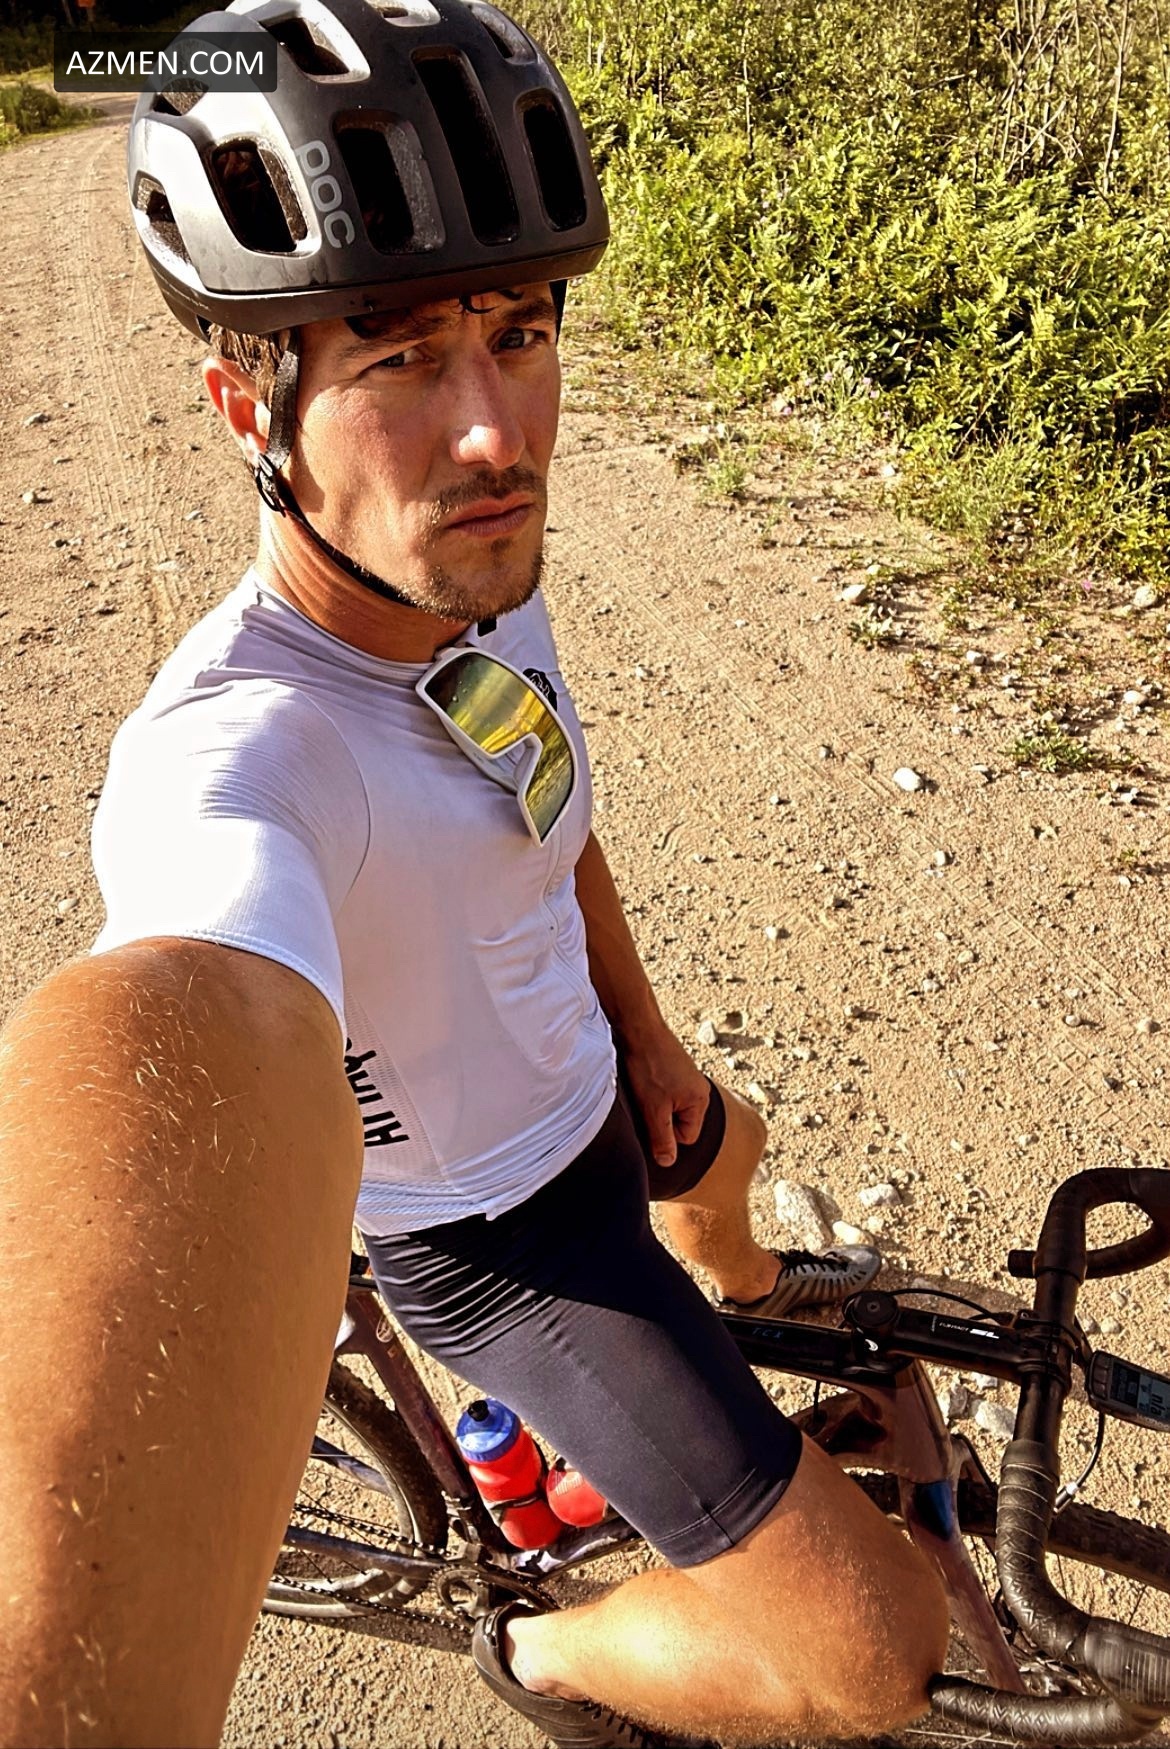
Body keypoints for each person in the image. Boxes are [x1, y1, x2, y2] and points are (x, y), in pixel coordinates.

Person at [0, 1, 948, 1744]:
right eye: (400, 361)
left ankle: (738, 1292)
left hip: (585, 1075)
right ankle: (540, 1648)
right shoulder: (245, 749)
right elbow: (179, 995)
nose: (496, 434)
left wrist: (642, 1029)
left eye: (519, 335)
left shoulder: (466, 573)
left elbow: (544, 814)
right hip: (501, 1243)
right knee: (870, 1655)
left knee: (728, 1160)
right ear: (247, 402)